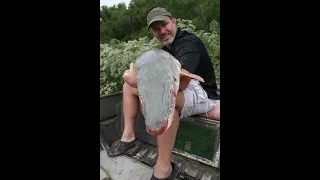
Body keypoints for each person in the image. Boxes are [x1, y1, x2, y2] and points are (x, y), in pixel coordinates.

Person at [107, 7, 220, 180]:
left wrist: (137, 81)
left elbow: (179, 84)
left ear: (173, 21)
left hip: (203, 92)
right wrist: (134, 82)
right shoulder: (166, 50)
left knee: (166, 99)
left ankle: (164, 169)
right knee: (127, 87)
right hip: (184, 90)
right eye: (156, 29)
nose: (162, 31)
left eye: (164, 25)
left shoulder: (188, 43)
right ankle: (129, 138)